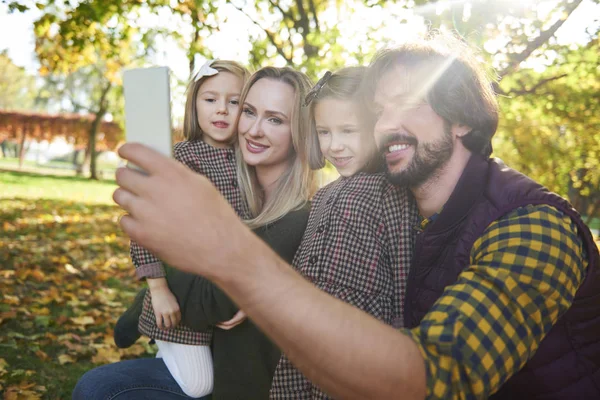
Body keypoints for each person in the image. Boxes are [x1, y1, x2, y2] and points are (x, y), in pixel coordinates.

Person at [112, 33, 600, 400]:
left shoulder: (535, 226)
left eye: (407, 104)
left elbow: (434, 377)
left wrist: (233, 259)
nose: (387, 124)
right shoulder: (390, 204)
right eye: (378, 111)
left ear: (462, 118)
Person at [74, 66, 317, 400]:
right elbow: (153, 230)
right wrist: (157, 284)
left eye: (275, 119)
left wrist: (256, 293)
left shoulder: (295, 216)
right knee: (94, 387)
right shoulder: (213, 167)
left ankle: (141, 313)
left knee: (106, 389)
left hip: (235, 373)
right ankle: (144, 312)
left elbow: (217, 300)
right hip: (196, 331)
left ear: (301, 131)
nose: (254, 129)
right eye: (249, 111)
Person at [270, 67, 418, 399]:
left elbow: (404, 276)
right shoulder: (322, 196)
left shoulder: (392, 192)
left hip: (361, 348)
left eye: (348, 131)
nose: (335, 146)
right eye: (324, 132)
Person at [113, 59, 249, 398]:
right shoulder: (179, 159)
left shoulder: (251, 162)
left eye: (234, 102)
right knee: (200, 385)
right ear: (194, 104)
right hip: (182, 292)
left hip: (225, 292)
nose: (222, 110)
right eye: (210, 99)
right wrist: (158, 288)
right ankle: (149, 309)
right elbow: (145, 225)